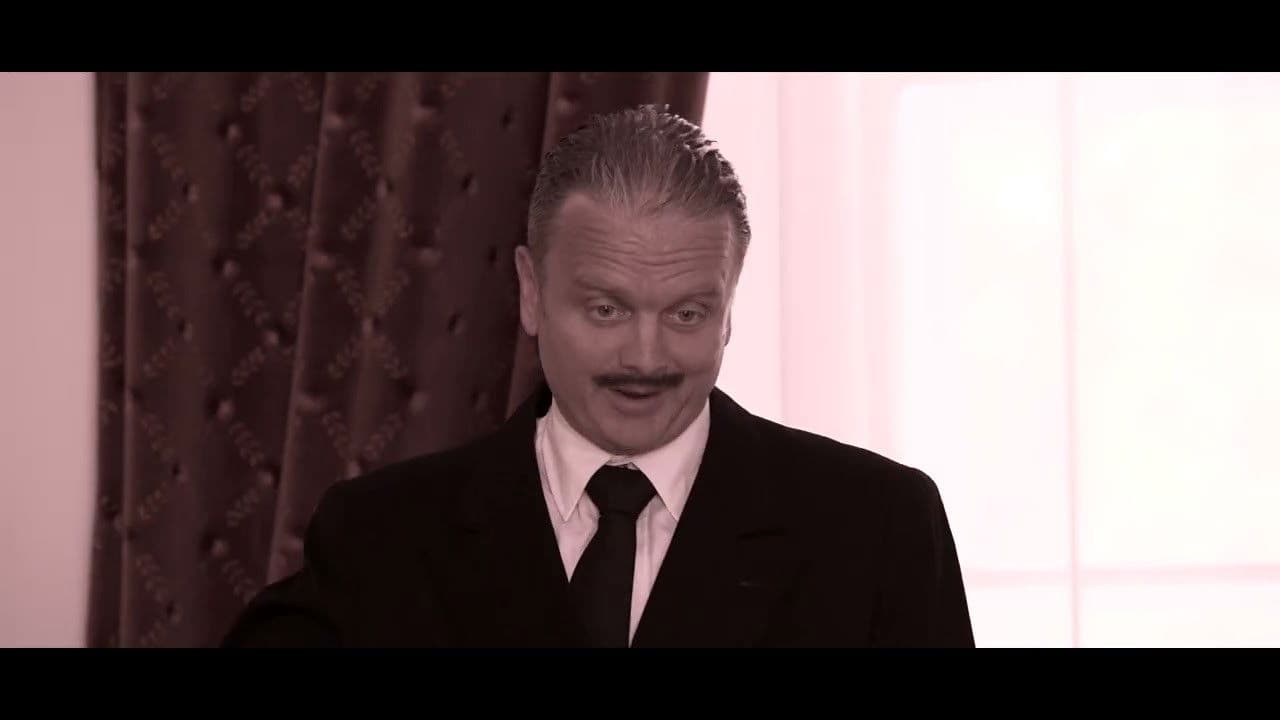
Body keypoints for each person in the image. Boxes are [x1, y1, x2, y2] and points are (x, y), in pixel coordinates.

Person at [221, 105, 975, 648]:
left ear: (729, 307)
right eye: (607, 309)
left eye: (686, 313)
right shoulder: (380, 538)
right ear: (530, 293)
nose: (646, 358)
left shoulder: (878, 529)